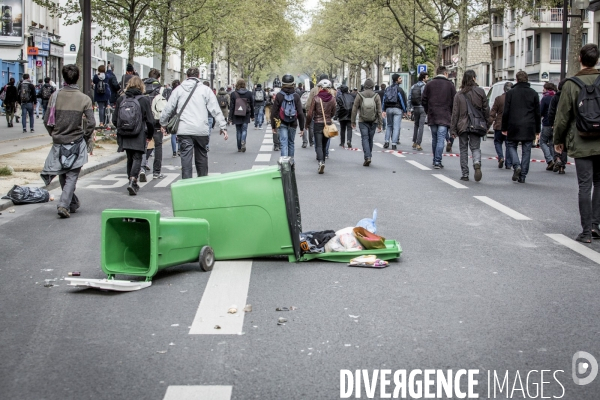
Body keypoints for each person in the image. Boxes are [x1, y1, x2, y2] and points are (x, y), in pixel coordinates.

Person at [554, 44, 600, 242]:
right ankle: (596, 225)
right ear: (597, 60)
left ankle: (586, 232)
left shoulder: (571, 84)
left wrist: (558, 140)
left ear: (580, 58)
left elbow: (562, 116)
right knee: (599, 184)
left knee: (584, 185)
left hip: (581, 141)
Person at [41, 64, 96, 218]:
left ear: (63, 77)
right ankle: (63, 204)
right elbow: (91, 122)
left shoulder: (55, 96)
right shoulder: (84, 99)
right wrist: (85, 136)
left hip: (58, 141)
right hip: (76, 141)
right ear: (77, 77)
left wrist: (53, 133)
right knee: (71, 175)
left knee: (63, 173)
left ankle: (71, 202)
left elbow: (46, 120)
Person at [160, 67, 228, 178]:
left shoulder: (178, 89)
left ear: (187, 76)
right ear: (199, 76)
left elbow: (168, 108)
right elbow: (215, 109)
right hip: (201, 130)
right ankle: (201, 182)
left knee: (186, 157)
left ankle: (187, 184)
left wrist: (163, 123)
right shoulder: (205, 90)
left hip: (184, 130)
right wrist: (223, 126)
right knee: (201, 156)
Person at [112, 76, 155, 195]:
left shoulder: (121, 99)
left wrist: (122, 128)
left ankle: (130, 179)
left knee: (129, 157)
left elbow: (114, 119)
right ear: (141, 86)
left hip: (125, 133)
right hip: (139, 132)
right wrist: (150, 135)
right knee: (137, 157)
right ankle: (133, 180)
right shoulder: (144, 100)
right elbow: (150, 121)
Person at [450, 70, 490, 182]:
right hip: (477, 124)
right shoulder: (480, 92)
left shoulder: (459, 95)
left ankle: (465, 174)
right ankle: (477, 163)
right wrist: (486, 124)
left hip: (462, 125)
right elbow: (486, 110)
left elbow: (455, 113)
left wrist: (452, 129)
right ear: (473, 78)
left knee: (463, 149)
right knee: (475, 147)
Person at [501, 71, 541, 184]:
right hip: (529, 125)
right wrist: (538, 129)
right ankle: (523, 175)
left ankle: (516, 165)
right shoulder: (533, 93)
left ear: (516, 80)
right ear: (527, 79)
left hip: (513, 124)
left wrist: (504, 127)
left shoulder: (511, 93)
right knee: (526, 150)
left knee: (511, 145)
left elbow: (506, 112)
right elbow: (537, 113)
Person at [422, 66, 456, 169]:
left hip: (433, 115)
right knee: (441, 139)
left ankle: (434, 160)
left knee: (435, 138)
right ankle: (437, 161)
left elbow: (423, 100)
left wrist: (428, 110)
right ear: (445, 73)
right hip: (445, 116)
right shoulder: (450, 85)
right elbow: (455, 101)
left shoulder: (429, 84)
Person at [270, 74, 305, 159]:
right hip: (293, 123)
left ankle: (285, 166)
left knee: (283, 143)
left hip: (282, 122)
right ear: (293, 84)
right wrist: (301, 127)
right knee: (291, 143)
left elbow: (274, 112)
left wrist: (273, 126)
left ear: (282, 84)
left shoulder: (279, 95)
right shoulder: (296, 96)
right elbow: (300, 113)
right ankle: (291, 164)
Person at [306, 79, 336, 174]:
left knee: (318, 144)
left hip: (318, 123)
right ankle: (323, 161)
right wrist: (328, 117)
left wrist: (307, 124)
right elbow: (334, 112)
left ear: (320, 88)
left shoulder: (316, 98)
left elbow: (310, 113)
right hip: (327, 123)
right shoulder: (332, 99)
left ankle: (320, 162)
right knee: (324, 144)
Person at [351, 78, 382, 166]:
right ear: (372, 86)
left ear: (364, 86)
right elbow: (379, 110)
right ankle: (369, 155)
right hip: (374, 120)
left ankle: (367, 156)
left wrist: (353, 121)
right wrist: (380, 123)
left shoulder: (359, 95)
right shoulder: (376, 96)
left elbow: (354, 108)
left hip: (362, 120)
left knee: (365, 138)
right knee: (370, 139)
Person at [143, 68, 166, 178]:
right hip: (156, 121)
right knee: (158, 145)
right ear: (158, 77)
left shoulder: (142, 87)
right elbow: (164, 108)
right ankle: (156, 172)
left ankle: (142, 168)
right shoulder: (161, 89)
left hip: (143, 120)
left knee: (143, 144)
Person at [490, 82, 513, 170]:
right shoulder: (514, 99)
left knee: (497, 142)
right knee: (509, 144)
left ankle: (501, 157)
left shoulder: (499, 99)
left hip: (499, 124)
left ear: (504, 89)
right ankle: (508, 163)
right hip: (510, 125)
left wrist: (489, 124)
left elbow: (492, 112)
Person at [382, 73, 408, 150]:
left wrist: (384, 109)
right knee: (396, 127)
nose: (401, 79)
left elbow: (384, 100)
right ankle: (394, 143)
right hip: (397, 109)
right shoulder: (399, 90)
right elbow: (402, 101)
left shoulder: (388, 88)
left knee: (389, 125)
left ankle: (386, 141)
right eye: (400, 78)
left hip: (388, 109)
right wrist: (405, 110)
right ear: (396, 80)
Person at [547, 79, 567, 174]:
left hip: (557, 123)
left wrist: (552, 123)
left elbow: (551, 111)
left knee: (556, 142)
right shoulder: (568, 96)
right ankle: (562, 166)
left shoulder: (555, 97)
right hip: (567, 124)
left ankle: (557, 158)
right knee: (564, 144)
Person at [228, 78, 254, 152]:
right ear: (244, 84)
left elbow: (232, 107)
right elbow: (252, 105)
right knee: (244, 129)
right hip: (246, 114)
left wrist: (230, 118)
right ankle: (243, 141)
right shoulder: (249, 93)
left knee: (238, 130)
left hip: (236, 114)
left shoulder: (233, 94)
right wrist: (252, 115)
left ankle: (239, 147)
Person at [539, 82, 557, 171]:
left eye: (544, 89)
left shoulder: (545, 98)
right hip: (555, 124)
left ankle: (550, 160)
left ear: (546, 89)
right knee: (551, 143)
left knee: (542, 142)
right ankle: (554, 160)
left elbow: (540, 111)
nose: (543, 90)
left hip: (546, 123)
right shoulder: (556, 97)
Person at [408, 72, 428, 151]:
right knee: (421, 126)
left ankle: (414, 142)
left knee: (416, 125)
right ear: (423, 78)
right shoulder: (425, 86)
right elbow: (425, 98)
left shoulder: (413, 86)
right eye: (426, 77)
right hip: (422, 108)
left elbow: (409, 98)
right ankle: (419, 143)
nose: (427, 79)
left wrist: (409, 109)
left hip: (415, 107)